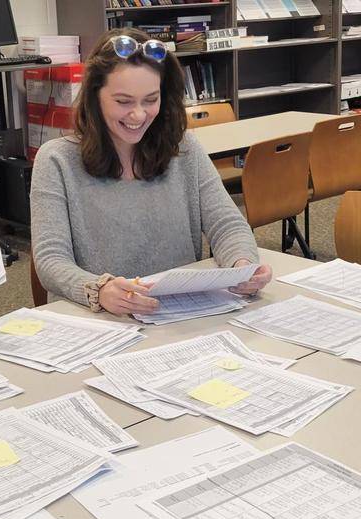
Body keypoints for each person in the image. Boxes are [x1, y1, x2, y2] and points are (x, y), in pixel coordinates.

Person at [30, 29, 271, 315]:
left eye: (150, 100)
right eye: (123, 101)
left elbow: (227, 224)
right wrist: (98, 289)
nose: (138, 115)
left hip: (176, 315)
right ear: (94, 97)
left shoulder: (183, 148)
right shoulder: (57, 160)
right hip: (100, 322)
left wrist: (242, 265)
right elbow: (50, 259)